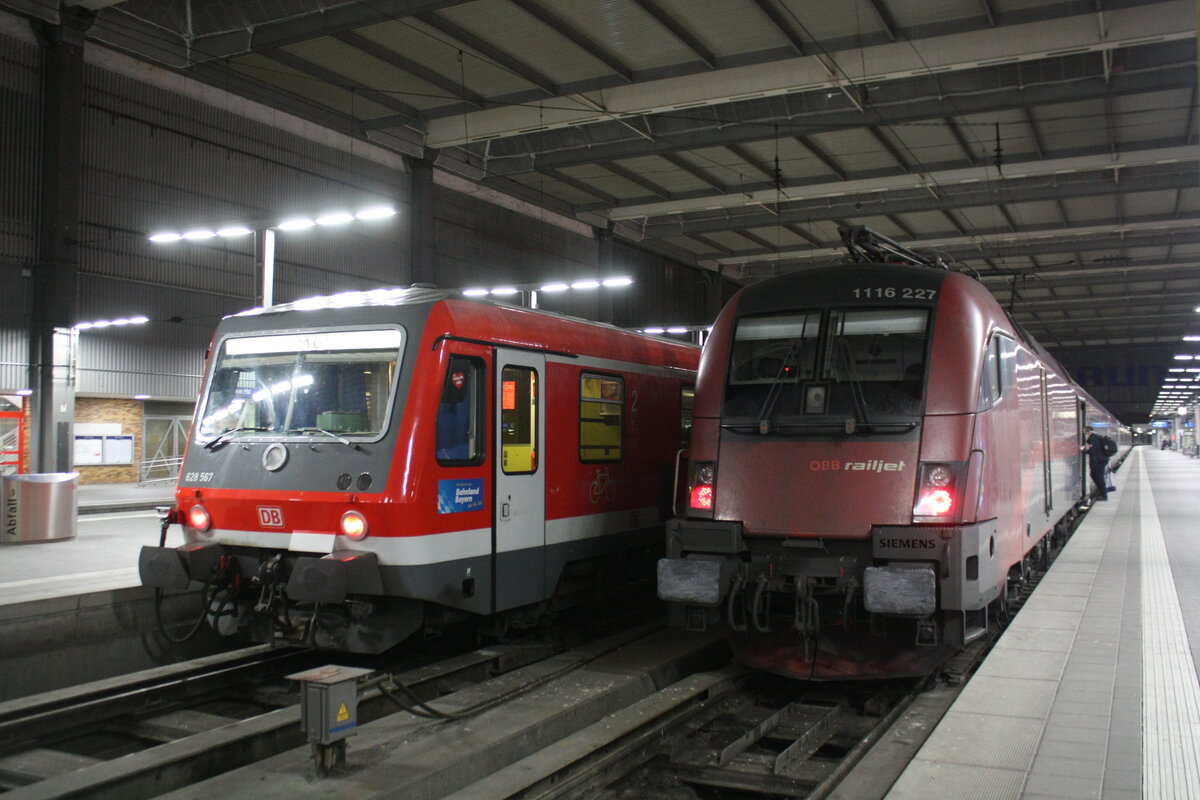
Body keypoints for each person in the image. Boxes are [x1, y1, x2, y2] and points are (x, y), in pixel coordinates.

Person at [1084, 425, 1111, 501]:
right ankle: (1101, 491)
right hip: (1101, 460)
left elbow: (1093, 451)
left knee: (1099, 477)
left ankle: (1104, 495)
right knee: (1094, 475)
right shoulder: (1096, 437)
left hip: (1099, 461)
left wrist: (1085, 450)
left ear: (1088, 432)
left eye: (1085, 433)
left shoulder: (1093, 438)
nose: (1085, 435)